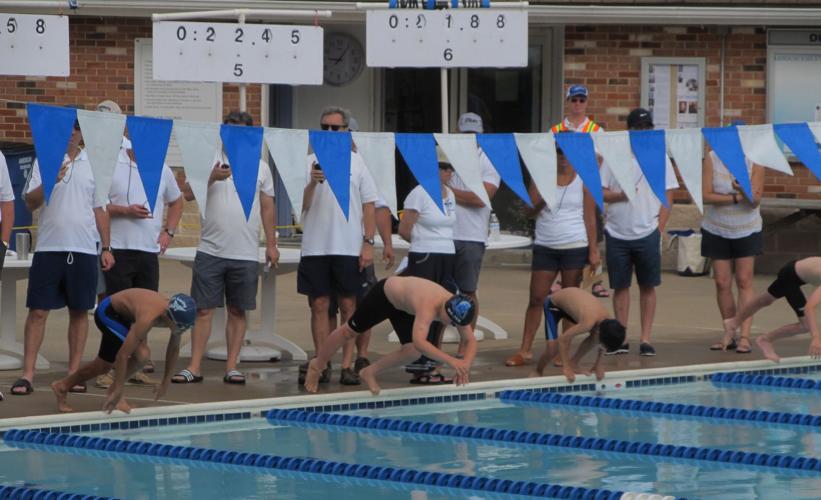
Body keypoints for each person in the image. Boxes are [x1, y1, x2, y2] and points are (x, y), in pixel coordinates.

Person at [172, 110, 278, 385]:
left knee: (238, 310)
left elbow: (268, 207)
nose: (234, 136)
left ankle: (232, 366)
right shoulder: (209, 158)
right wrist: (211, 178)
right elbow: (187, 194)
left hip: (245, 250)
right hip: (211, 249)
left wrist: (272, 244)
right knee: (203, 310)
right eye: (229, 130)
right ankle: (194, 366)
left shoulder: (260, 166)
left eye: (240, 131)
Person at [11, 119, 116, 396]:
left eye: (77, 127)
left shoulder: (94, 164)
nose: (71, 131)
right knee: (38, 311)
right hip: (49, 247)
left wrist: (106, 247)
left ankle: (73, 374)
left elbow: (101, 209)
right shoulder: (45, 159)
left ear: (83, 132)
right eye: (67, 126)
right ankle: (28, 374)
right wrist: (50, 180)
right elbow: (29, 203)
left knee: (80, 311)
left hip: (83, 248)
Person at [98, 101, 183, 383]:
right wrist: (125, 210)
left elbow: (177, 201)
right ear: (132, 135)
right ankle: (109, 366)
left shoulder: (162, 169)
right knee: (116, 312)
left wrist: (168, 232)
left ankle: (134, 364)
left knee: (144, 313)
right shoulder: (113, 163)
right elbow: (99, 206)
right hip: (119, 249)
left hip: (147, 251)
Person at [299, 106, 377, 386]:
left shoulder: (358, 163)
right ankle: (321, 363)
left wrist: (368, 243)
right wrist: (311, 183)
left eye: (336, 128)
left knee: (348, 306)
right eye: (325, 127)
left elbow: (370, 206)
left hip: (347, 245)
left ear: (346, 131)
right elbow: (301, 207)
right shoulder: (308, 161)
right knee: (319, 305)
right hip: (315, 246)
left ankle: (346, 364)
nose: (330, 133)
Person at [506, 140, 599, 367]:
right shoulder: (542, 177)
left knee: (568, 301)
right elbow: (528, 212)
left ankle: (562, 349)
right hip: (546, 244)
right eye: (559, 152)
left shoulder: (584, 179)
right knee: (537, 297)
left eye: (567, 152)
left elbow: (590, 217)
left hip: (574, 244)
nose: (563, 157)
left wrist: (594, 250)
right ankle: (525, 350)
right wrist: (541, 201)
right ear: (554, 154)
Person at [304, 276, 476, 395]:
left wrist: (465, 365)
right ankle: (317, 365)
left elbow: (470, 340)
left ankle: (368, 372)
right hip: (385, 296)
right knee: (349, 331)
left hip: (405, 307)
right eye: (450, 321)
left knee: (412, 352)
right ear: (446, 307)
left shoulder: (460, 308)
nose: (451, 325)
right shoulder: (428, 305)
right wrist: (452, 361)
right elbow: (420, 342)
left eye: (455, 323)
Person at [600, 108, 678, 357]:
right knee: (620, 287)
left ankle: (645, 338)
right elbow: (600, 191)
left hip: (647, 230)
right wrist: (620, 195)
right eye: (638, 128)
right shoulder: (614, 157)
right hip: (617, 231)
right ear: (629, 131)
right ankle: (621, 337)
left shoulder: (659, 157)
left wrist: (660, 226)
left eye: (647, 128)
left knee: (648, 286)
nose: (643, 133)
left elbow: (669, 193)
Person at [50, 289, 196, 413]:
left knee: (102, 366)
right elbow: (123, 355)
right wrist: (118, 389)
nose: (181, 330)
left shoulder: (174, 316)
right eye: (180, 326)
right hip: (108, 313)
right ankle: (115, 395)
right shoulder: (148, 317)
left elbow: (174, 349)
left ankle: (62, 386)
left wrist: (165, 382)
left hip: (124, 316)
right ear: (169, 316)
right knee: (142, 355)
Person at [701, 121, 764, 354]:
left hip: (747, 228)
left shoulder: (755, 160)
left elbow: (756, 200)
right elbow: (705, 195)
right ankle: (729, 331)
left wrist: (741, 190)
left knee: (744, 281)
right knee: (722, 282)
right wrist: (737, 198)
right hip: (716, 227)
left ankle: (745, 336)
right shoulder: (712, 157)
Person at [398, 151, 458, 383]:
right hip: (425, 256)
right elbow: (404, 229)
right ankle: (420, 360)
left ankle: (432, 360)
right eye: (444, 167)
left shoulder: (450, 193)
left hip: (446, 256)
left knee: (444, 309)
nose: (448, 172)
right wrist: (423, 245)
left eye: (450, 167)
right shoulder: (419, 193)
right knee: (425, 308)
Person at [550, 84, 609, 299]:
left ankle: (595, 279)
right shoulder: (556, 130)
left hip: (587, 187)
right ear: (567, 102)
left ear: (586, 103)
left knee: (593, 231)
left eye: (581, 100)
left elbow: (601, 159)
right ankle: (558, 277)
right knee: (564, 232)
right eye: (574, 100)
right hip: (563, 186)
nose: (577, 104)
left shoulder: (596, 131)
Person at [450, 112, 501, 350]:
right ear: (458, 133)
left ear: (481, 135)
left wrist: (448, 191)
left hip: (471, 235)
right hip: (444, 234)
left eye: (474, 135)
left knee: (468, 291)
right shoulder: (446, 155)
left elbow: (482, 198)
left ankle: (466, 342)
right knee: (440, 290)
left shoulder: (489, 160)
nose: (470, 139)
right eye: (466, 134)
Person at [722, 257, 821, 362]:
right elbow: (809, 308)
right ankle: (766, 339)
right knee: (805, 325)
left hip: (794, 271)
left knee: (765, 300)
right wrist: (815, 337)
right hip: (790, 276)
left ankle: (733, 323)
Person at [529, 287, 626, 383]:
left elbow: (602, 342)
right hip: (553, 305)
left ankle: (574, 362)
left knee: (595, 337)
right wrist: (566, 367)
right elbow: (563, 339)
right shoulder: (588, 322)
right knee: (552, 348)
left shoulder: (608, 322)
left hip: (572, 304)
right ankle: (538, 370)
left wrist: (599, 364)